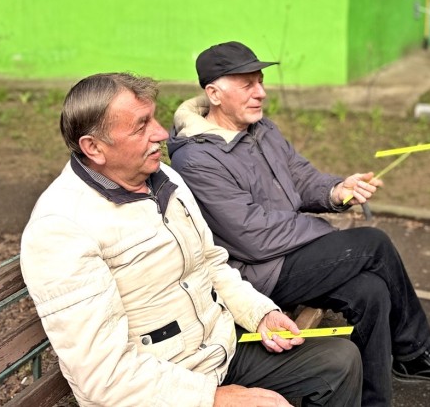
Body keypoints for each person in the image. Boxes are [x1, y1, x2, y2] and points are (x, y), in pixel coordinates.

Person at [20, 73, 362, 407]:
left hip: (218, 351)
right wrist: (213, 399)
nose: (159, 133)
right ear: (93, 147)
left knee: (340, 360)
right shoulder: (60, 229)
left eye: (154, 118)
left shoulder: (164, 177)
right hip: (161, 384)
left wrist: (260, 314)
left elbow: (211, 262)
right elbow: (103, 377)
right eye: (141, 126)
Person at [167, 41, 430, 407]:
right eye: (248, 84)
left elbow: (300, 177)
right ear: (214, 93)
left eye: (261, 81)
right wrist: (322, 231)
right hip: (261, 274)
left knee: (371, 292)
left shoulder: (262, 128)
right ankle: (415, 352)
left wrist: (336, 190)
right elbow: (252, 236)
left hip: (297, 255)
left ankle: (374, 400)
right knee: (372, 244)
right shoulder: (197, 158)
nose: (261, 92)